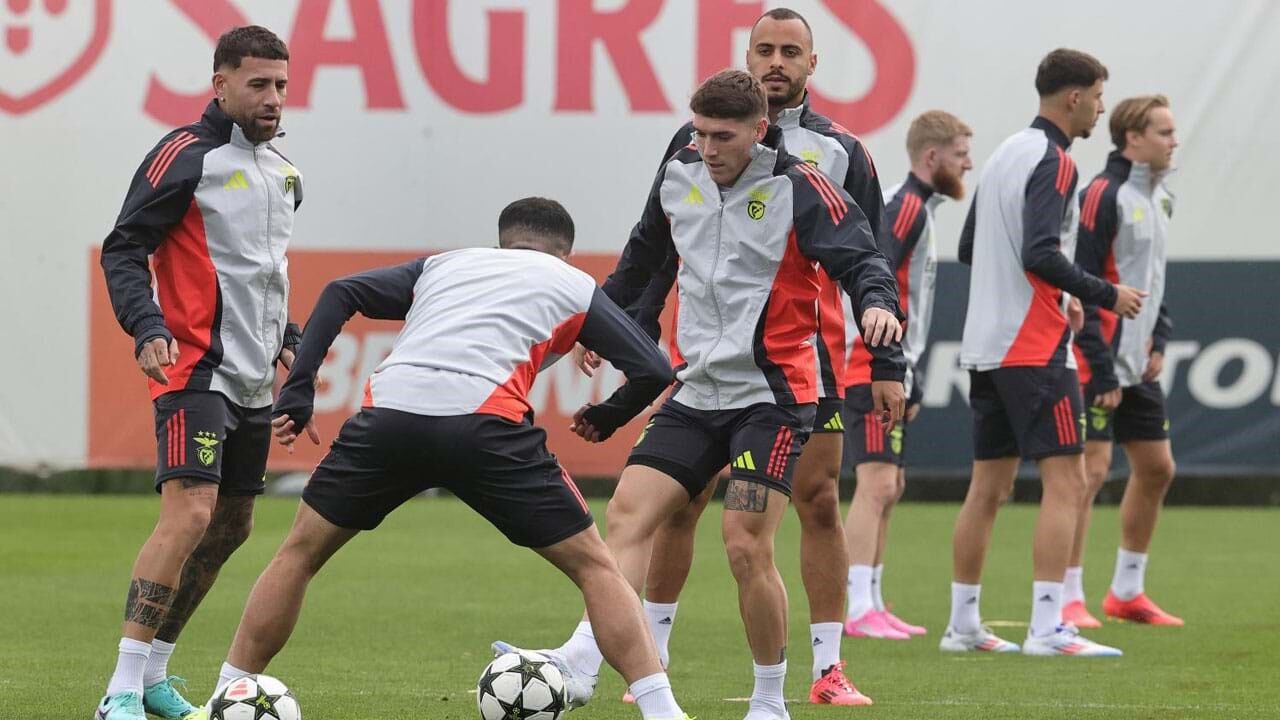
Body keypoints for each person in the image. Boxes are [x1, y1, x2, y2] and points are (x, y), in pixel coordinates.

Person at [497, 69, 905, 720]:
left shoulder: (801, 187)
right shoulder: (679, 176)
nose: (708, 148)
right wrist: (605, 322)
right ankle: (582, 659)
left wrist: (879, 311)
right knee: (628, 516)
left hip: (773, 398)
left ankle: (769, 701)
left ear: (759, 131)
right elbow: (643, 261)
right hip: (695, 391)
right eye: (701, 133)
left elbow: (864, 259)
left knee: (745, 544)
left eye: (723, 136)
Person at [214, 198, 691, 720]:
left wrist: (299, 388)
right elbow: (653, 368)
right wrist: (607, 415)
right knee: (597, 568)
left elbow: (339, 292)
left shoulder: (445, 265)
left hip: (390, 418)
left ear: (502, 241)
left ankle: (225, 694)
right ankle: (662, 712)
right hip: (486, 426)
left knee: (299, 555)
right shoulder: (570, 282)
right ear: (564, 254)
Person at [96, 26, 300, 720]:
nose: (273, 97)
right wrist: (146, 325)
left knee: (233, 525)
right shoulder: (184, 155)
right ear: (220, 84)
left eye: (281, 84)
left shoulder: (285, 173)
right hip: (193, 367)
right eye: (258, 84)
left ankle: (154, 673)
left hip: (253, 378)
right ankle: (120, 689)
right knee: (190, 513)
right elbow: (124, 247)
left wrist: (288, 338)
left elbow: (265, 274)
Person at [945, 48, 1146, 657]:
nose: (1102, 109)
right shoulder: (1057, 161)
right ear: (1075, 97)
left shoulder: (1005, 153)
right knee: (1069, 481)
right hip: (1033, 347)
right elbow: (1040, 252)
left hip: (986, 345)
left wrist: (1058, 294)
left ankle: (963, 625)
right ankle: (1047, 628)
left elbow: (970, 247)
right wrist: (1104, 293)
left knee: (987, 487)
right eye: (1099, 96)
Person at [842, 110, 973, 640]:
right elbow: (873, 280)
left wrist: (907, 372)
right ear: (932, 156)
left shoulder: (921, 207)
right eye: (961, 154)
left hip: (890, 365)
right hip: (867, 364)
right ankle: (855, 606)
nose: (967, 164)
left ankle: (872, 597)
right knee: (875, 483)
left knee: (891, 485)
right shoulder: (905, 207)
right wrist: (886, 365)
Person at [1063, 95, 1182, 628]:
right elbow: (1082, 281)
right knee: (1089, 474)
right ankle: (1067, 596)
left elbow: (1151, 278)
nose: (1174, 141)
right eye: (1164, 132)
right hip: (1098, 361)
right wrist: (1102, 365)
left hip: (1136, 362)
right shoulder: (1101, 194)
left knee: (1157, 468)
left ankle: (1127, 591)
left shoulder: (1160, 197)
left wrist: (1159, 338)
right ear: (1133, 137)